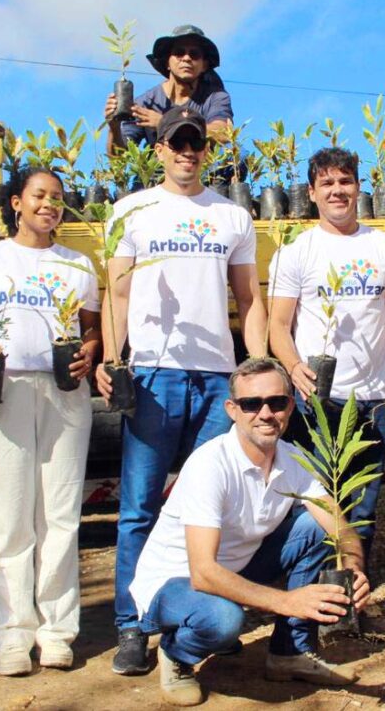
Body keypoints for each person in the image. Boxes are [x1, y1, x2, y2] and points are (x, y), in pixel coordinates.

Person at [96, 107, 266, 675]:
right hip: (153, 375)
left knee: (209, 506)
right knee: (139, 507)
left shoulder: (232, 216)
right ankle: (131, 625)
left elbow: (250, 299)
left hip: (217, 377)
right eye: (177, 143)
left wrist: (257, 365)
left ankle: (198, 612)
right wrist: (115, 359)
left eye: (196, 144)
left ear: (205, 151)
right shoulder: (131, 209)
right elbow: (115, 295)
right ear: (160, 148)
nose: (188, 153)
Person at [130, 358, 369, 706]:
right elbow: (203, 573)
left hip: (234, 569)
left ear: (291, 405)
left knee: (315, 529)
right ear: (232, 409)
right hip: (175, 583)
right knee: (223, 619)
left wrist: (354, 566)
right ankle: (177, 654)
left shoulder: (293, 459)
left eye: (277, 402)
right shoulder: (209, 464)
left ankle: (289, 652)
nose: (265, 413)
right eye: (251, 404)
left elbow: (339, 525)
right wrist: (288, 601)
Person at [0, 166, 102, 675]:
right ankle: (13, 634)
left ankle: (58, 631)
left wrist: (87, 354)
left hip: (65, 393)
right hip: (6, 389)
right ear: (16, 202)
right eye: (39, 196)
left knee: (61, 515)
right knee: (10, 516)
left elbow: (90, 330)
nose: (49, 205)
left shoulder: (79, 264)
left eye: (58, 198)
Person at [268, 147, 385, 561]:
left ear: (358, 187)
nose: (337, 191)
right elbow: (279, 325)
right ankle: (316, 587)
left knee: (364, 502)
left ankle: (354, 585)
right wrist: (294, 367)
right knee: (317, 498)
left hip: (373, 396)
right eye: (327, 183)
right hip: (319, 397)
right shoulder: (297, 252)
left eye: (345, 181)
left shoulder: (384, 248)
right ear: (311, 192)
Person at [104, 24, 233, 151]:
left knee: (236, 153)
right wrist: (114, 128)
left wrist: (164, 123)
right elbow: (119, 156)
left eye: (194, 54)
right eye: (179, 53)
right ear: (167, 63)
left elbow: (223, 133)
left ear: (204, 65)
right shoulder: (145, 103)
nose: (187, 58)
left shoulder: (215, 97)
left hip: (203, 166)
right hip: (161, 169)